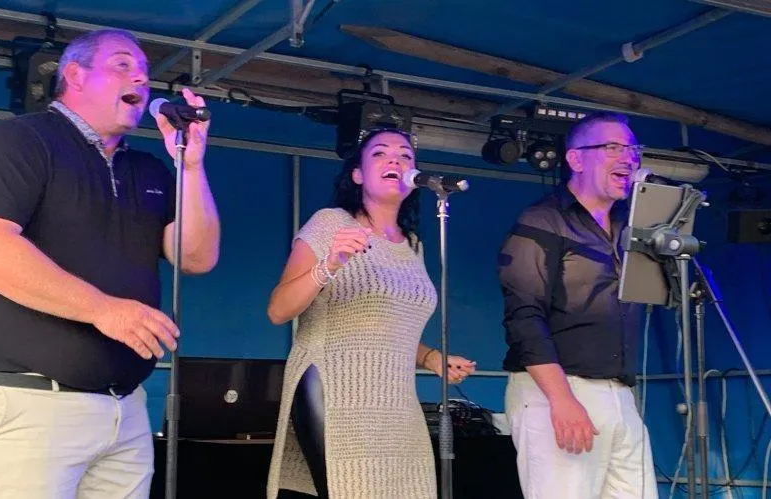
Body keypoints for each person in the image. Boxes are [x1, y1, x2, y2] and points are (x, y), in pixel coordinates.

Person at [0, 29, 220, 498]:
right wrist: (103, 310)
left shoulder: (147, 169)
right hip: (31, 404)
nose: (141, 77)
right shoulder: (23, 140)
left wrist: (191, 166)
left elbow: (197, 257)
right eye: (123, 64)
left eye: (144, 71)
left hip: (124, 408)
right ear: (75, 75)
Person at [265, 128, 476, 498]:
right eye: (380, 153)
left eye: (405, 155)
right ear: (358, 174)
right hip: (337, 388)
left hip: (396, 401)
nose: (395, 159)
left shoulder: (413, 246)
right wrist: (329, 264)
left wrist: (430, 357)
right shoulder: (331, 223)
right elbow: (278, 310)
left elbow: (384, 327)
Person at [498, 112, 658, 498]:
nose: (628, 158)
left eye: (632, 150)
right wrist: (562, 399)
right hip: (559, 389)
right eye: (613, 148)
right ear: (576, 159)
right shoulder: (544, 220)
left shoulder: (629, 228)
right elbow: (524, 317)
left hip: (619, 393)